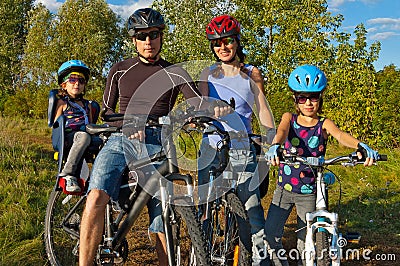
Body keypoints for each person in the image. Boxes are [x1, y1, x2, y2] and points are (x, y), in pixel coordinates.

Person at [78, 8, 210, 266]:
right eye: (141, 36)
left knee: (162, 216)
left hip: (159, 141)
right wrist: (127, 123)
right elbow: (106, 111)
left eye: (152, 35)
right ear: (134, 40)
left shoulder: (176, 72)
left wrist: (202, 114)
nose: (147, 41)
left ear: (161, 37)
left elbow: (196, 102)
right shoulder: (119, 69)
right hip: (120, 138)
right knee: (96, 195)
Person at [264, 64, 379, 266]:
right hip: (284, 189)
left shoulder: (324, 123)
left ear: (320, 98)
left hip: (309, 192)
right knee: (271, 234)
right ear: (295, 100)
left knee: (305, 242)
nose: (308, 103)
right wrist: (275, 146)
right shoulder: (289, 118)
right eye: (302, 98)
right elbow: (281, 132)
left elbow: (341, 135)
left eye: (314, 97)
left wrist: (360, 145)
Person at [198, 14, 275, 266]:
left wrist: (271, 139)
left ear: (237, 42)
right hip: (210, 145)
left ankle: (257, 259)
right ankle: (204, 257)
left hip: (242, 146)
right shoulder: (207, 73)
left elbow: (262, 109)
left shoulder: (251, 73)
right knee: (205, 210)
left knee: (251, 208)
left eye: (228, 41)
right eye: (217, 42)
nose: (223, 46)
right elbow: (201, 105)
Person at [54, 60, 93, 193]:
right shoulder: (62, 103)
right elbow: (56, 126)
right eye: (72, 79)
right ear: (64, 85)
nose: (77, 83)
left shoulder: (88, 105)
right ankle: (68, 174)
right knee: (83, 136)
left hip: (86, 136)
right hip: (70, 137)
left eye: (81, 80)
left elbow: (91, 124)